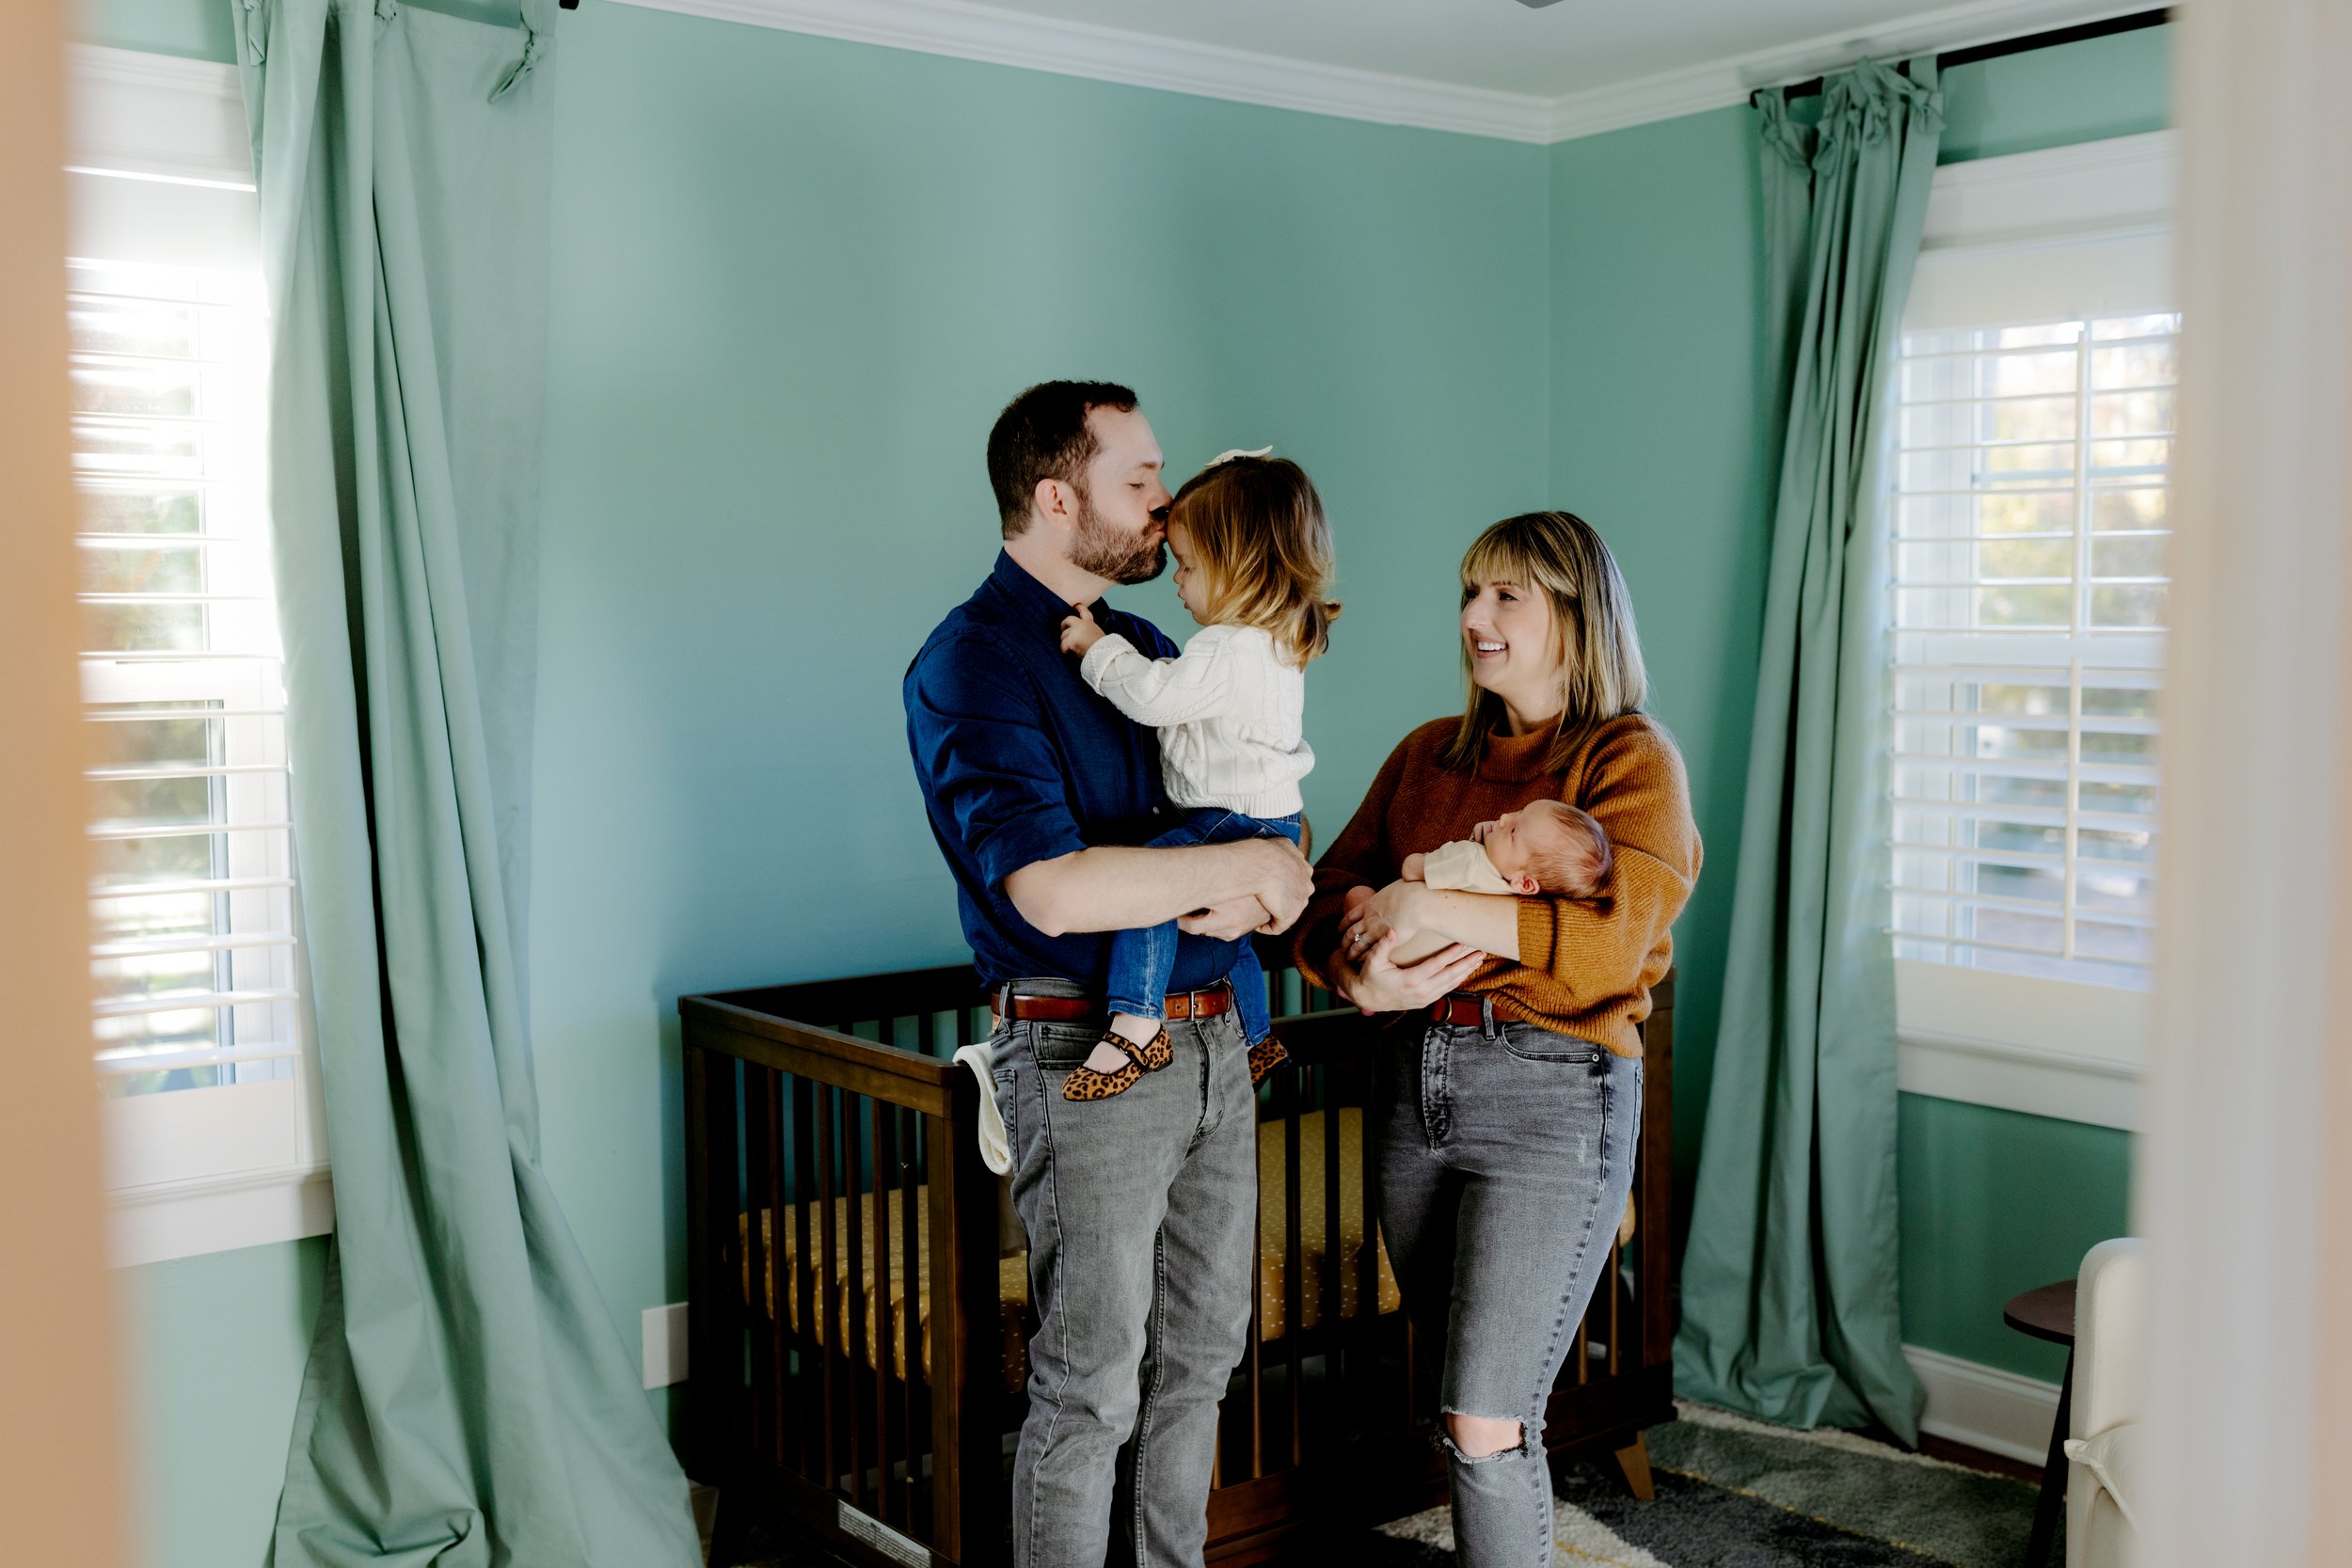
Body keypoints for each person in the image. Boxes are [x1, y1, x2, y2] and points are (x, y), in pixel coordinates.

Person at [903, 381, 1313, 1568]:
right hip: (1087, 1050)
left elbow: (1277, 849)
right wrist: (1236, 871)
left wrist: (1253, 866)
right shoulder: (971, 663)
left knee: (1202, 1357)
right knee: (1089, 1383)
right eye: (1139, 480)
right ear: (1053, 496)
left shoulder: (1148, 649)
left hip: (1212, 1047)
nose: (1165, 501)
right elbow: (1056, 892)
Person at [1292, 511, 1701, 1568]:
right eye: (1469, 591)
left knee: (1485, 1414)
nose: (1474, 616)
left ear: (1576, 613)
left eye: (1506, 594)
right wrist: (1353, 963)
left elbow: (1607, 949)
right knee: (1465, 1394)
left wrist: (1423, 909)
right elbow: (1324, 891)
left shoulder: (1628, 759)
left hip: (1553, 1097)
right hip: (1408, 1088)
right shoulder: (1427, 753)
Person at [1057, 449, 1341, 1097]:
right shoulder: (1273, 640)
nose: (1176, 581)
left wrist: (1095, 646)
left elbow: (1156, 696)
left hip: (1229, 814)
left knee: (1151, 887)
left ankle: (1134, 1022)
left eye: (1188, 565)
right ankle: (1256, 1032)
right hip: (1270, 817)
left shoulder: (1229, 645)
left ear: (1236, 566)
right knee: (1230, 934)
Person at [1387, 800, 1612, 965]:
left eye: (1514, 832)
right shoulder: (1512, 900)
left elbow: (1410, 868)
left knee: (1361, 897)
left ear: (1525, 883)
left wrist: (1463, 849)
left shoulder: (1469, 859)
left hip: (1384, 944)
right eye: (1520, 811)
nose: (1505, 817)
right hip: (1401, 962)